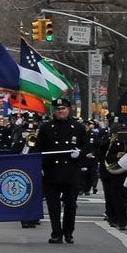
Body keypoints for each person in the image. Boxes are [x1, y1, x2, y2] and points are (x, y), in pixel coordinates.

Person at [34, 98, 88, 244]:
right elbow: (39, 149)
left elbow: (87, 145)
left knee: (70, 203)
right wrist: (40, 167)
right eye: (58, 109)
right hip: (52, 171)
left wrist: (80, 153)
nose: (60, 111)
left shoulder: (77, 127)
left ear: (68, 109)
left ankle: (68, 231)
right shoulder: (46, 128)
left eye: (63, 108)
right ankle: (56, 233)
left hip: (71, 171)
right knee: (53, 206)